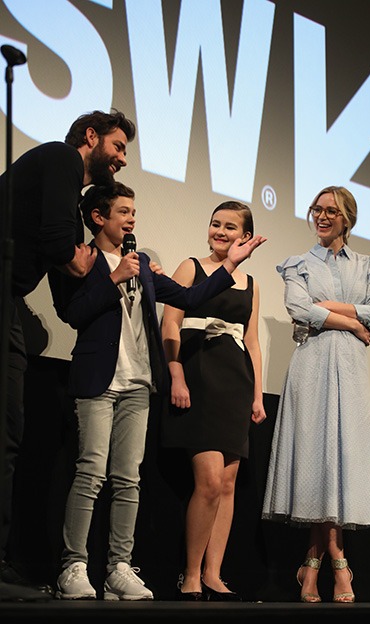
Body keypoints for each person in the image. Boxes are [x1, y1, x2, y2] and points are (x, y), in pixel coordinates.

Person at [52, 184, 266, 601]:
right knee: (90, 473)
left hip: (137, 382)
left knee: (128, 479)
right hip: (98, 378)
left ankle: (118, 567)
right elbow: (73, 313)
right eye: (124, 212)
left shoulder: (144, 264)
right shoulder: (83, 260)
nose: (132, 219)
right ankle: (73, 565)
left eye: (134, 212)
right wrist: (114, 278)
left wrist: (229, 265)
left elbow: (188, 297)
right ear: (98, 217)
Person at [0, 109, 136, 601]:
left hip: (9, 299)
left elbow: (67, 250)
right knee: (6, 430)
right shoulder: (61, 158)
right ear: (91, 136)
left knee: (9, 430)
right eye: (118, 146)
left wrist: (75, 258)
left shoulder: (67, 184)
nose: (122, 159)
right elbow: (64, 248)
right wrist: (72, 258)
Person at [262, 186, 370, 603]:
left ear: (347, 218)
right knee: (317, 462)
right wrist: (351, 322)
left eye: (330, 210)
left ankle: (311, 562)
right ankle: (339, 563)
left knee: (337, 465)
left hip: (349, 372)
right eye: (316, 209)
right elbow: (300, 310)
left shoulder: (367, 265)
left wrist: (331, 307)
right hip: (312, 366)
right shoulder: (298, 264)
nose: (321, 216)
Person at [161, 200, 267, 601]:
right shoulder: (191, 267)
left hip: (235, 382)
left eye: (230, 227)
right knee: (207, 481)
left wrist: (257, 395)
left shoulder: (252, 284)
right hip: (198, 373)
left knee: (226, 483)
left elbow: (252, 342)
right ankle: (189, 574)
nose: (220, 232)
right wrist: (176, 373)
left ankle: (213, 574)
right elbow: (170, 323)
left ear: (245, 236)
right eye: (215, 224)